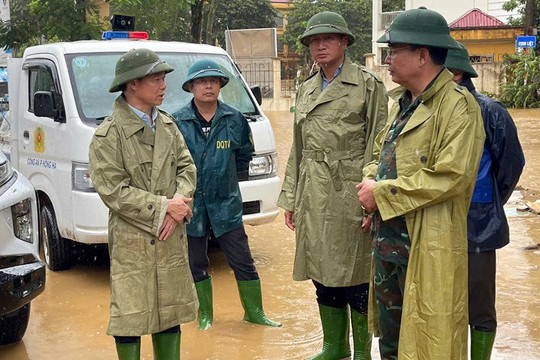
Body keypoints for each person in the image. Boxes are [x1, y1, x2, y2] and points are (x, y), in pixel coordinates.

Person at [356, 7, 486, 360]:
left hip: (425, 247)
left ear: (422, 56)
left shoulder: (458, 107)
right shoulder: (402, 104)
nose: (387, 60)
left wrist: (380, 194)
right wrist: (370, 180)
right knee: (392, 343)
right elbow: (379, 155)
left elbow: (451, 176)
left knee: (430, 343)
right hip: (387, 248)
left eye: (394, 51)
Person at [278, 11, 388, 360]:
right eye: (313, 41)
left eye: (327, 39)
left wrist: (375, 199)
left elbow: (381, 144)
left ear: (344, 43)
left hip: (350, 193)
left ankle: (361, 352)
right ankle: (333, 346)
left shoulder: (368, 85)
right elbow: (299, 146)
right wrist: (291, 197)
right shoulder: (306, 88)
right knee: (320, 268)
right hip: (313, 193)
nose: (319, 46)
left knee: (356, 272)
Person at [89, 48, 198, 360]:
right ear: (132, 83)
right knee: (131, 315)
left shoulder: (167, 124)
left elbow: (187, 169)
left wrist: (178, 207)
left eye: (163, 79)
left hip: (170, 235)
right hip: (133, 240)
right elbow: (113, 190)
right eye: (156, 79)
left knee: (169, 314)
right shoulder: (108, 134)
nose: (164, 85)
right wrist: (165, 208)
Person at [172, 59, 281, 330]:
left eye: (213, 81)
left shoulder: (235, 119)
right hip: (191, 205)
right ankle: (205, 316)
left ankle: (255, 313)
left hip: (226, 203)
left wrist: (225, 179)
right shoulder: (176, 122)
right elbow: (171, 164)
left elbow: (244, 157)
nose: (208, 85)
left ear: (220, 85)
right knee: (197, 262)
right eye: (201, 81)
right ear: (191, 87)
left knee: (242, 259)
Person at [444, 42, 525, 360]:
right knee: (439, 302)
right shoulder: (422, 111)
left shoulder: (490, 111)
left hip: (477, 226)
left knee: (478, 304)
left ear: (457, 73)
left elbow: (512, 164)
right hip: (435, 222)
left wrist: (490, 201)